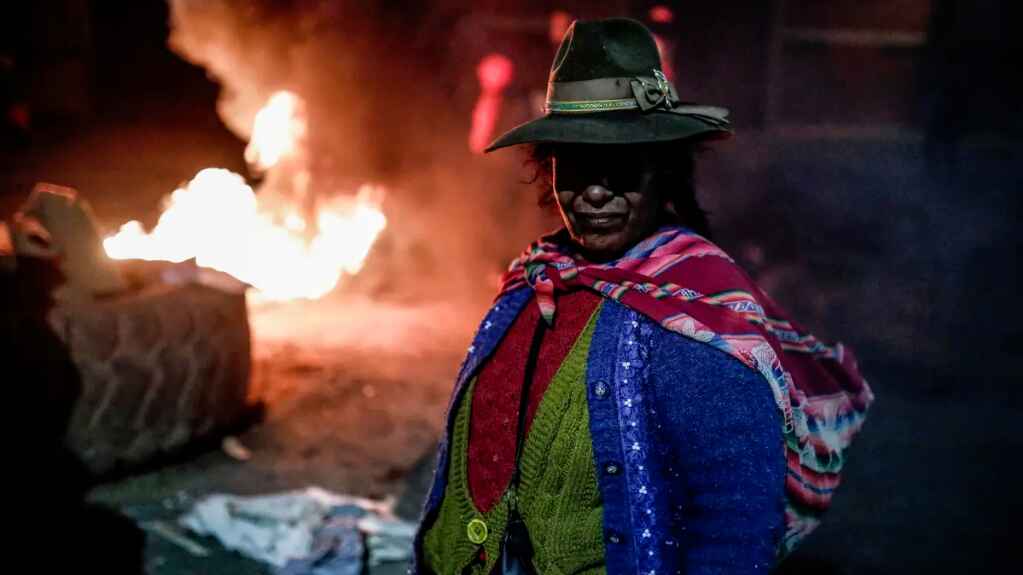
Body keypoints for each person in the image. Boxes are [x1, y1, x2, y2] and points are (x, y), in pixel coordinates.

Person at [413, 17, 873, 575]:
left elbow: (735, 528)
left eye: (621, 168)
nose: (596, 191)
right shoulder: (536, 278)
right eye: (575, 166)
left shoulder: (698, 319)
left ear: (664, 170)